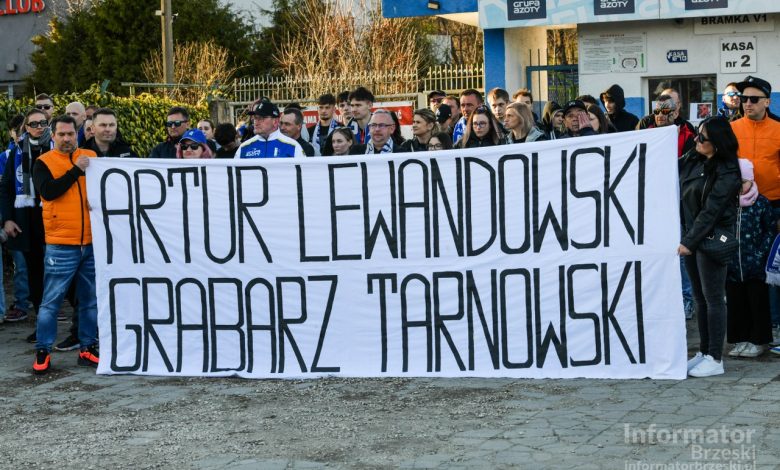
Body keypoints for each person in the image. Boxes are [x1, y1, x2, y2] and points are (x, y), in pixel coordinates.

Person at [30, 115, 99, 374]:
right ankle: (43, 350)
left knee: (89, 300)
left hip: (90, 242)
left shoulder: (91, 156)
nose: (67, 138)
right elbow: (49, 191)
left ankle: (87, 347)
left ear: (76, 133)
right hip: (61, 244)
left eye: (71, 134)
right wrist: (76, 170)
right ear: (53, 135)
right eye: (62, 134)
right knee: (51, 302)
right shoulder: (43, 162)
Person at [679, 117, 741, 377]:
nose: (696, 139)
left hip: (711, 239)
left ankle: (715, 358)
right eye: (697, 134)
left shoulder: (728, 171)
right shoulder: (693, 159)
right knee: (699, 298)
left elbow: (711, 211)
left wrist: (689, 242)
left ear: (717, 142)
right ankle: (704, 352)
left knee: (714, 298)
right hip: (691, 236)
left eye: (702, 137)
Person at [730, 75, 780, 344]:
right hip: (741, 209)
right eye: (743, 99)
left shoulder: (779, 129)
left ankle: (774, 324)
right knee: (746, 272)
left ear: (767, 102)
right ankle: (749, 331)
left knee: (773, 268)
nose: (747, 103)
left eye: (753, 99)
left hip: (773, 205)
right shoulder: (732, 128)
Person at [1, 109, 53, 324]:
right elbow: (6, 187)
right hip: (27, 220)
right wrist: (7, 219)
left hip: (54, 218)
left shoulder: (56, 146)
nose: (39, 127)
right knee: (34, 272)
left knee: (57, 271)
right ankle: (42, 321)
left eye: (42, 123)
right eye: (34, 124)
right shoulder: (17, 151)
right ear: (27, 128)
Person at [726, 159, 775, 358]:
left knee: (757, 302)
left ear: (751, 180)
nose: (739, 187)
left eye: (743, 182)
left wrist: (760, 254)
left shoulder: (761, 203)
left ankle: (758, 340)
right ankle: (740, 339)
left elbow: (770, 231)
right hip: (732, 265)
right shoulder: (727, 203)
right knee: (736, 304)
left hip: (755, 265)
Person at [237, 99, 304, 159]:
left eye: (261, 118)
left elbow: (304, 168)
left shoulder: (293, 146)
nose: (256, 122)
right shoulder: (244, 148)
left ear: (275, 121)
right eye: (255, 118)